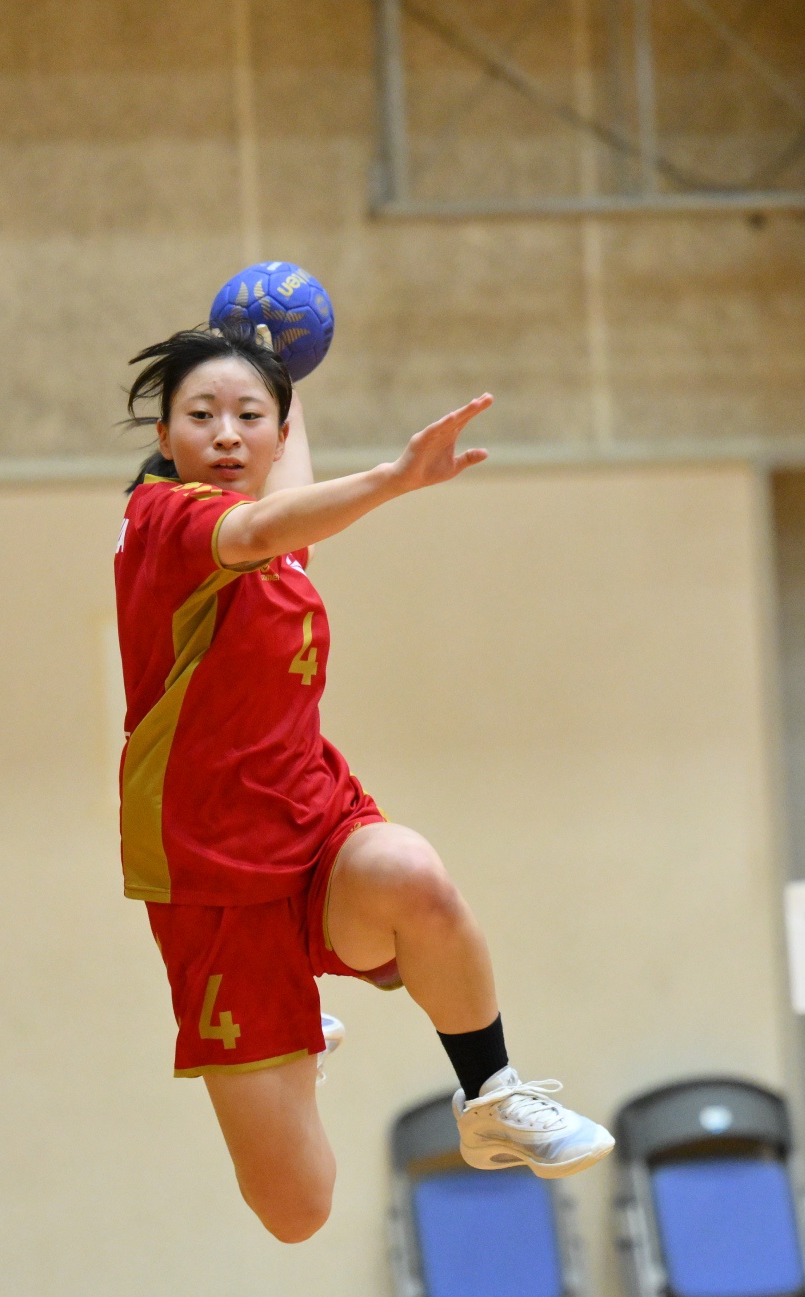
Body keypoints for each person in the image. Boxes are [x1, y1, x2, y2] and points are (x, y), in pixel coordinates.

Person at [114, 327, 614, 1243]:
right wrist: (394, 478)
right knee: (297, 1209)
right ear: (164, 433)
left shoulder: (278, 528)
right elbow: (262, 525)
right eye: (201, 415)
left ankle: (491, 1097)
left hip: (313, 823)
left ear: (276, 434)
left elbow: (285, 503)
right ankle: (294, 1029)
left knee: (412, 873)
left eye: (249, 416)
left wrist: (279, 359)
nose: (226, 434)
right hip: (212, 878)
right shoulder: (172, 524)